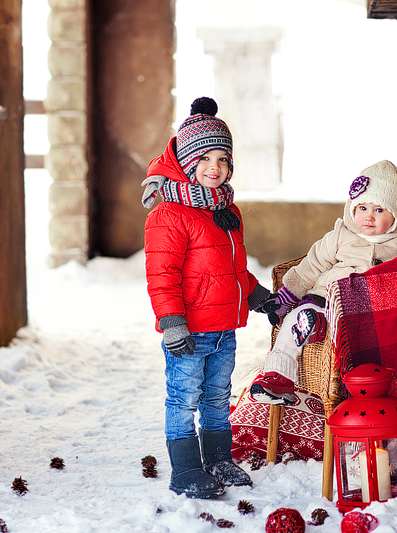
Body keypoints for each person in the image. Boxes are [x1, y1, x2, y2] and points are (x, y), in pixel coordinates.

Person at [142, 97, 272, 499]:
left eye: (222, 158)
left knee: (217, 397)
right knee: (184, 399)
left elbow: (229, 270)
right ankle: (185, 470)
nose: (214, 167)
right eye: (204, 159)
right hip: (189, 331)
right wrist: (171, 323)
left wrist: (259, 296)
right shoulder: (169, 215)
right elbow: (161, 276)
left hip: (222, 330)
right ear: (186, 162)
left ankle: (217, 459)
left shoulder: (224, 209)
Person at [252, 160, 397, 405]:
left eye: (379, 210)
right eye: (362, 208)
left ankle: (322, 327)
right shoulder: (341, 236)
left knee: (355, 330)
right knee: (295, 319)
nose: (369, 217)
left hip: (365, 312)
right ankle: (278, 376)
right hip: (323, 298)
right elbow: (311, 265)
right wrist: (285, 298)